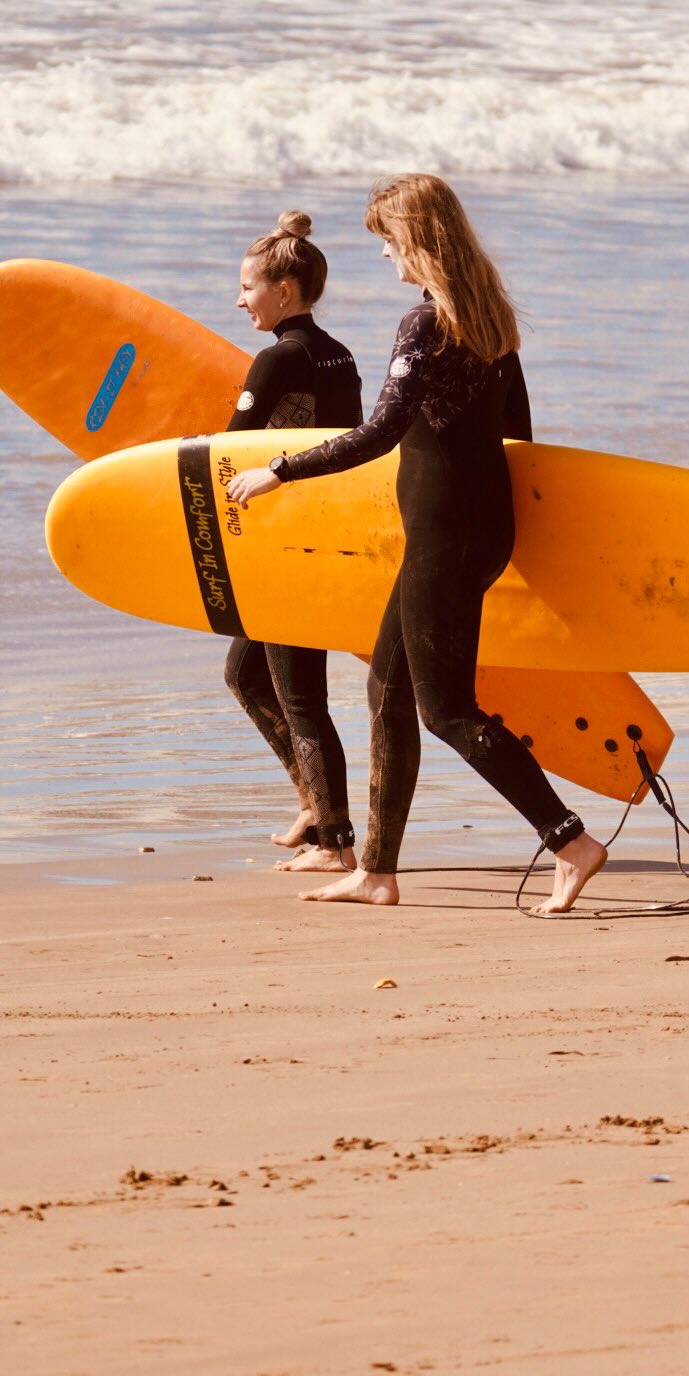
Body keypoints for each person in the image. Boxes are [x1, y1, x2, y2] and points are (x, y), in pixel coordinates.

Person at [227, 175, 607, 915]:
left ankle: (569, 841)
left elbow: (380, 433)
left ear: (421, 241)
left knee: (448, 710)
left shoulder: (426, 324)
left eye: (390, 241)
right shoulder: (492, 320)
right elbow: (518, 436)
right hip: (477, 528)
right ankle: (377, 870)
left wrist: (280, 469)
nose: (385, 257)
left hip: (443, 537)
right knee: (387, 691)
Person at [224, 210, 363, 874]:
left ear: (284, 289)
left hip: (290, 546)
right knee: (247, 673)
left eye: (247, 286)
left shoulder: (276, 359)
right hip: (324, 532)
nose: (240, 299)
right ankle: (315, 805)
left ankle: (334, 842)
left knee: (300, 693)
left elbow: (228, 450)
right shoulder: (338, 354)